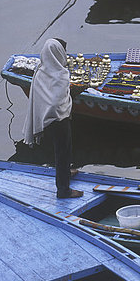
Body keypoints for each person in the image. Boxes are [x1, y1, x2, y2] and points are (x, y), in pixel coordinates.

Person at [23, 38, 84, 198]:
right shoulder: (60, 74)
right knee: (62, 151)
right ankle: (63, 190)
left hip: (48, 117)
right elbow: (57, 101)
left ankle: (65, 172)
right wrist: (77, 91)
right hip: (58, 118)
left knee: (64, 149)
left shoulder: (41, 71)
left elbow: (47, 98)